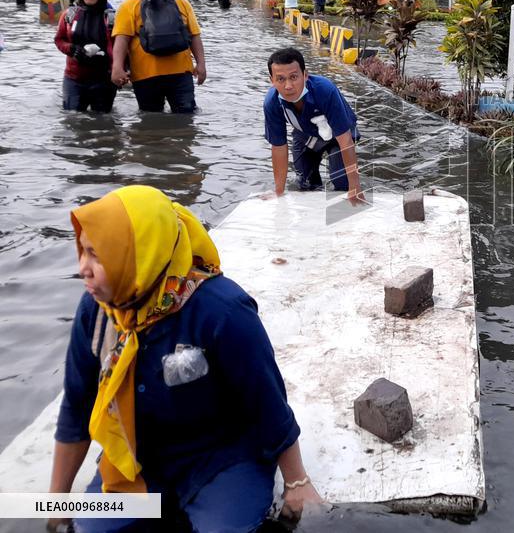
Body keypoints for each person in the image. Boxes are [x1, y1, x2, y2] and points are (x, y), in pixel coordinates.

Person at [48, 185, 322, 532]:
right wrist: (56, 503)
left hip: (221, 457)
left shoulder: (221, 310)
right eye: (82, 251)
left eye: (97, 255)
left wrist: (297, 482)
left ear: (138, 254)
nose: (83, 268)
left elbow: (265, 398)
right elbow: (77, 405)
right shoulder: (99, 314)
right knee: (91, 529)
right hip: (139, 459)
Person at [264, 47, 365, 203]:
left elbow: (345, 141)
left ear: (305, 75)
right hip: (305, 135)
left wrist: (355, 187)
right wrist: (278, 191)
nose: (288, 86)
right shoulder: (272, 102)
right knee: (305, 184)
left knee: (342, 183)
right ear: (272, 81)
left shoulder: (325, 90)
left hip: (338, 136)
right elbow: (278, 147)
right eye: (281, 79)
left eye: (293, 77)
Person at [111, 0, 207, 113]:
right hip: (145, 75)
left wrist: (201, 65)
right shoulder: (129, 5)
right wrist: (117, 67)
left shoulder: (182, 3)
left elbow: (195, 36)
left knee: (186, 117)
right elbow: (121, 39)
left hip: (181, 74)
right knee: (150, 120)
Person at [53, 0, 118, 112]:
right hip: (74, 79)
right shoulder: (69, 14)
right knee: (73, 119)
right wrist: (71, 49)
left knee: (103, 123)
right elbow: (59, 39)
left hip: (104, 80)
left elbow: (120, 47)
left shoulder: (112, 18)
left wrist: (120, 70)